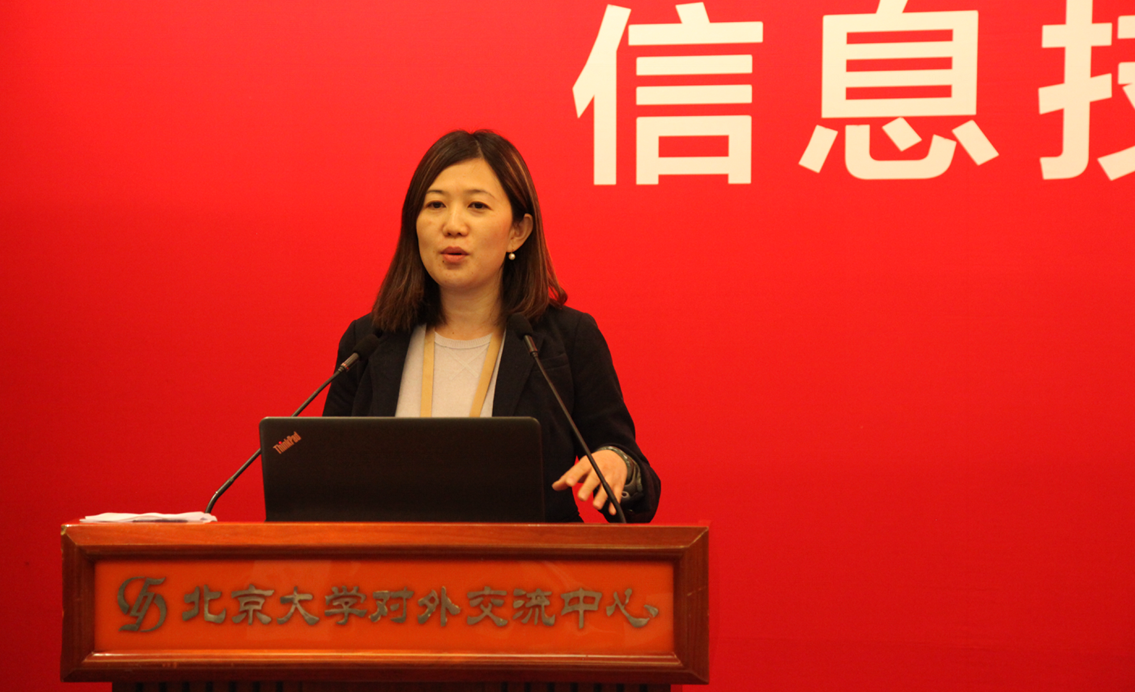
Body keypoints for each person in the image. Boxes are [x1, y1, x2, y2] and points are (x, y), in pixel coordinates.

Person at [323, 129, 659, 523]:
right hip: (391, 563)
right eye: (435, 205)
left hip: (529, 563)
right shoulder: (369, 341)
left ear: (518, 231)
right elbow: (324, 486)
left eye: (477, 206)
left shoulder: (565, 340)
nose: (453, 225)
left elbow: (636, 483)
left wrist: (618, 464)